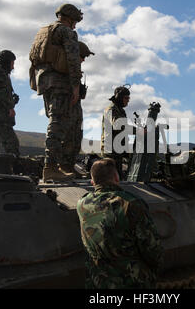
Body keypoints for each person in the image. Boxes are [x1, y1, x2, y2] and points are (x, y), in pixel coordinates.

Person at [77, 158, 163, 289]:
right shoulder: (131, 203)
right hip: (130, 282)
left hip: (97, 281)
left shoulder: (81, 204)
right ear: (117, 177)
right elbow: (152, 250)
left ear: (92, 182)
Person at [29, 4, 83, 182]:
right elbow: (73, 59)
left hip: (45, 81)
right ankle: (50, 167)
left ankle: (58, 167)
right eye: (75, 21)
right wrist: (75, 85)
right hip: (60, 82)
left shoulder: (44, 31)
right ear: (70, 18)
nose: (75, 25)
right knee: (59, 123)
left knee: (57, 121)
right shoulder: (67, 32)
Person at [60, 41, 95, 178]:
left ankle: (70, 166)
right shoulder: (65, 68)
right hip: (67, 108)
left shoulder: (75, 70)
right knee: (66, 137)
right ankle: (63, 167)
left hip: (76, 110)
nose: (84, 59)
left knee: (76, 138)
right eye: (82, 56)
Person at [101, 85, 133, 178]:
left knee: (118, 176)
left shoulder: (121, 111)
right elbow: (118, 125)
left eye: (129, 98)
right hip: (110, 150)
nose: (128, 100)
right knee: (111, 177)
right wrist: (138, 131)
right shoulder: (111, 110)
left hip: (118, 149)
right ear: (119, 97)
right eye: (126, 98)